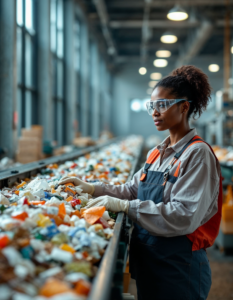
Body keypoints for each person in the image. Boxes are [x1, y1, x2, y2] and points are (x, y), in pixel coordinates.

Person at [59, 65, 222, 300]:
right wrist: (92, 187)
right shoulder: (157, 152)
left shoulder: (197, 154)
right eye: (152, 106)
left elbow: (184, 215)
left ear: (184, 107)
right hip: (150, 262)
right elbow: (132, 190)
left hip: (179, 266)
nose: (155, 112)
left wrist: (127, 207)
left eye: (162, 105)